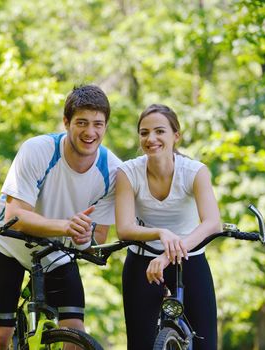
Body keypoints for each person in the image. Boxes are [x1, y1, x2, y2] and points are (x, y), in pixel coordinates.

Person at [0, 85, 122, 349]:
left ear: (106, 126)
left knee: (76, 333)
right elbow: (15, 216)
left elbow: (97, 238)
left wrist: (82, 236)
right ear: (66, 122)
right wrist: (66, 226)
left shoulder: (113, 171)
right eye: (81, 122)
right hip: (7, 243)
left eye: (97, 124)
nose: (90, 132)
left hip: (55, 251)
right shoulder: (38, 150)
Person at [115, 104, 221, 350]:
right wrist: (161, 233)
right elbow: (124, 228)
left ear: (176, 136)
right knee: (140, 344)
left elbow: (213, 223)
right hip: (142, 263)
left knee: (206, 343)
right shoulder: (128, 172)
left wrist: (168, 254)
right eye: (144, 133)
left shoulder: (195, 172)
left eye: (159, 131)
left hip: (190, 260)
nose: (151, 139)